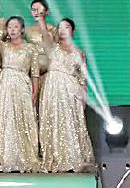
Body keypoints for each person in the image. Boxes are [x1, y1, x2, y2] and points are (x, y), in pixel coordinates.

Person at [37, 18, 95, 173]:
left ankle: (71, 158)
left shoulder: (79, 53)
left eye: (66, 27)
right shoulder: (52, 47)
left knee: (70, 122)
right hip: (53, 89)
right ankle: (55, 158)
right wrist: (41, 19)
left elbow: (82, 78)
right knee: (53, 121)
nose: (63, 30)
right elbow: (44, 34)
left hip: (71, 90)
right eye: (60, 27)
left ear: (73, 31)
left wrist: (83, 98)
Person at [0, 16, 42, 172]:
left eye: (16, 27)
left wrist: (35, 91)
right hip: (5, 84)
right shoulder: (3, 46)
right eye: (10, 27)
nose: (12, 30)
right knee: (7, 117)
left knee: (22, 119)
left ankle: (24, 157)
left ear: (22, 29)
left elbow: (35, 73)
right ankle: (7, 157)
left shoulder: (31, 48)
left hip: (22, 84)